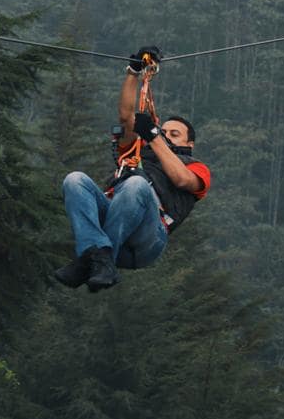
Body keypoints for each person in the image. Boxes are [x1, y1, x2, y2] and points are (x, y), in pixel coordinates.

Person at [54, 46, 212, 292]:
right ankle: (97, 256)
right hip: (115, 218)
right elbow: (127, 117)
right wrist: (133, 71)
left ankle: (92, 259)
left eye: (175, 134)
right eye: (165, 131)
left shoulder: (196, 167)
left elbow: (182, 180)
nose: (167, 136)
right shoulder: (137, 150)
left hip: (147, 238)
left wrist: (154, 137)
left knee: (136, 184)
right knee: (74, 180)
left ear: (189, 144)